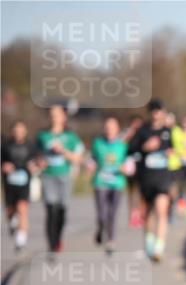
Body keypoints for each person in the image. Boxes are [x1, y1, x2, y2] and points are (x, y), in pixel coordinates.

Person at [128, 99, 175, 261]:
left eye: (158, 110)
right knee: (148, 213)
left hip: (163, 178)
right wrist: (144, 147)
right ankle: (149, 242)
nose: (156, 114)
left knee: (161, 210)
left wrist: (170, 153)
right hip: (146, 178)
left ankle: (159, 248)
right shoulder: (143, 131)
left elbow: (175, 149)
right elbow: (130, 149)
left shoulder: (168, 131)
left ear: (162, 112)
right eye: (153, 111)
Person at [37, 105, 85, 254]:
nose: (54, 117)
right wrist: (39, 161)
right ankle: (51, 245)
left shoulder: (71, 137)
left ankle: (58, 238)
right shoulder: (42, 136)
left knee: (61, 211)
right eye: (51, 114)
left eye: (57, 114)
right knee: (50, 210)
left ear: (64, 117)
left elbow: (78, 159)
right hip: (48, 176)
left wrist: (63, 151)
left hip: (64, 176)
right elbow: (35, 156)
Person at [87, 116, 129, 254]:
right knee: (102, 214)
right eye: (107, 127)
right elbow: (92, 159)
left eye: (112, 127)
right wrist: (90, 166)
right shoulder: (98, 143)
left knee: (112, 214)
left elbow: (129, 164)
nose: (109, 130)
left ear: (117, 129)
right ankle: (100, 228)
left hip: (117, 183)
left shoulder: (123, 146)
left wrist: (125, 169)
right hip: (101, 182)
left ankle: (111, 240)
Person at [1, 120, 41, 250]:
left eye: (21, 130)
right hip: (9, 184)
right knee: (10, 211)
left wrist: (34, 166)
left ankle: (21, 239)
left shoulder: (31, 146)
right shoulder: (5, 146)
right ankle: (12, 221)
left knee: (22, 209)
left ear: (25, 132)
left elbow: (37, 162)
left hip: (24, 183)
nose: (19, 133)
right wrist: (4, 166)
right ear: (12, 132)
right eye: (16, 130)